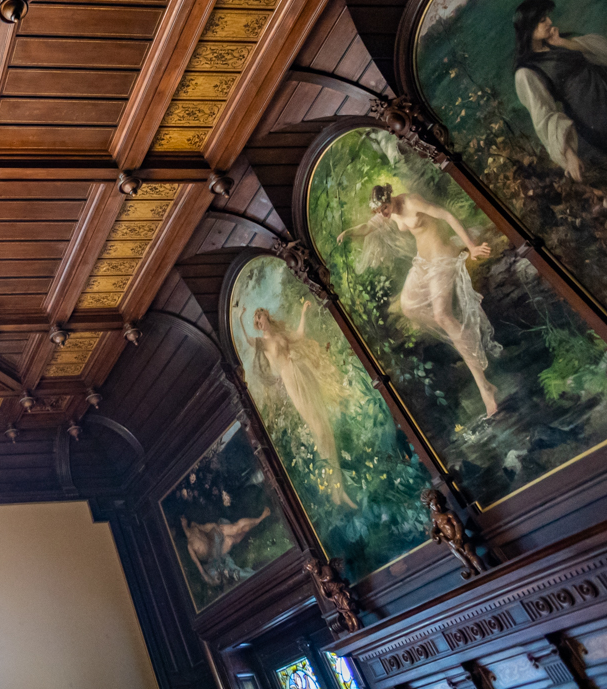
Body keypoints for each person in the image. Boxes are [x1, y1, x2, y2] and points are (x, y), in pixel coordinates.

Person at [339, 184, 501, 417]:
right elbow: (367, 227)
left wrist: (472, 247)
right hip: (423, 263)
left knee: (442, 316)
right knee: (408, 306)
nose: (384, 214)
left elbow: (447, 215)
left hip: (441, 259)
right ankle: (458, 331)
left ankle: (485, 387)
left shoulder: (412, 202)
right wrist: (348, 232)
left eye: (385, 208)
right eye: (380, 211)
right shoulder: (389, 213)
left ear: (390, 198)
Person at [232, 302, 358, 508]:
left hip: (302, 373)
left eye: (259, 318)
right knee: (317, 429)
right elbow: (247, 341)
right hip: (291, 380)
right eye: (256, 321)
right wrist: (239, 319)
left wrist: (303, 312)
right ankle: (335, 488)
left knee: (324, 424)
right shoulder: (262, 342)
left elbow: (299, 336)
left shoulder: (280, 335)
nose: (259, 323)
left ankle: (339, 488)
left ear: (266, 316)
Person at [512, 0, 607, 182]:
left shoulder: (557, 42)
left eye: (547, 17)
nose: (550, 22)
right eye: (542, 20)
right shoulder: (526, 72)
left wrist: (562, 42)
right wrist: (569, 155)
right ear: (528, 28)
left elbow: (601, 50)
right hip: (594, 119)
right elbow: (545, 118)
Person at [180, 508, 271, 587]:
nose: (184, 520)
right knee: (232, 540)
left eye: (183, 518)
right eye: (181, 519)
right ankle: (254, 526)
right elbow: (199, 566)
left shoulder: (194, 526)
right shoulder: (190, 546)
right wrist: (209, 579)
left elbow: (207, 527)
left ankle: (260, 518)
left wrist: (215, 527)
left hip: (215, 537)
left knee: (235, 528)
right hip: (215, 554)